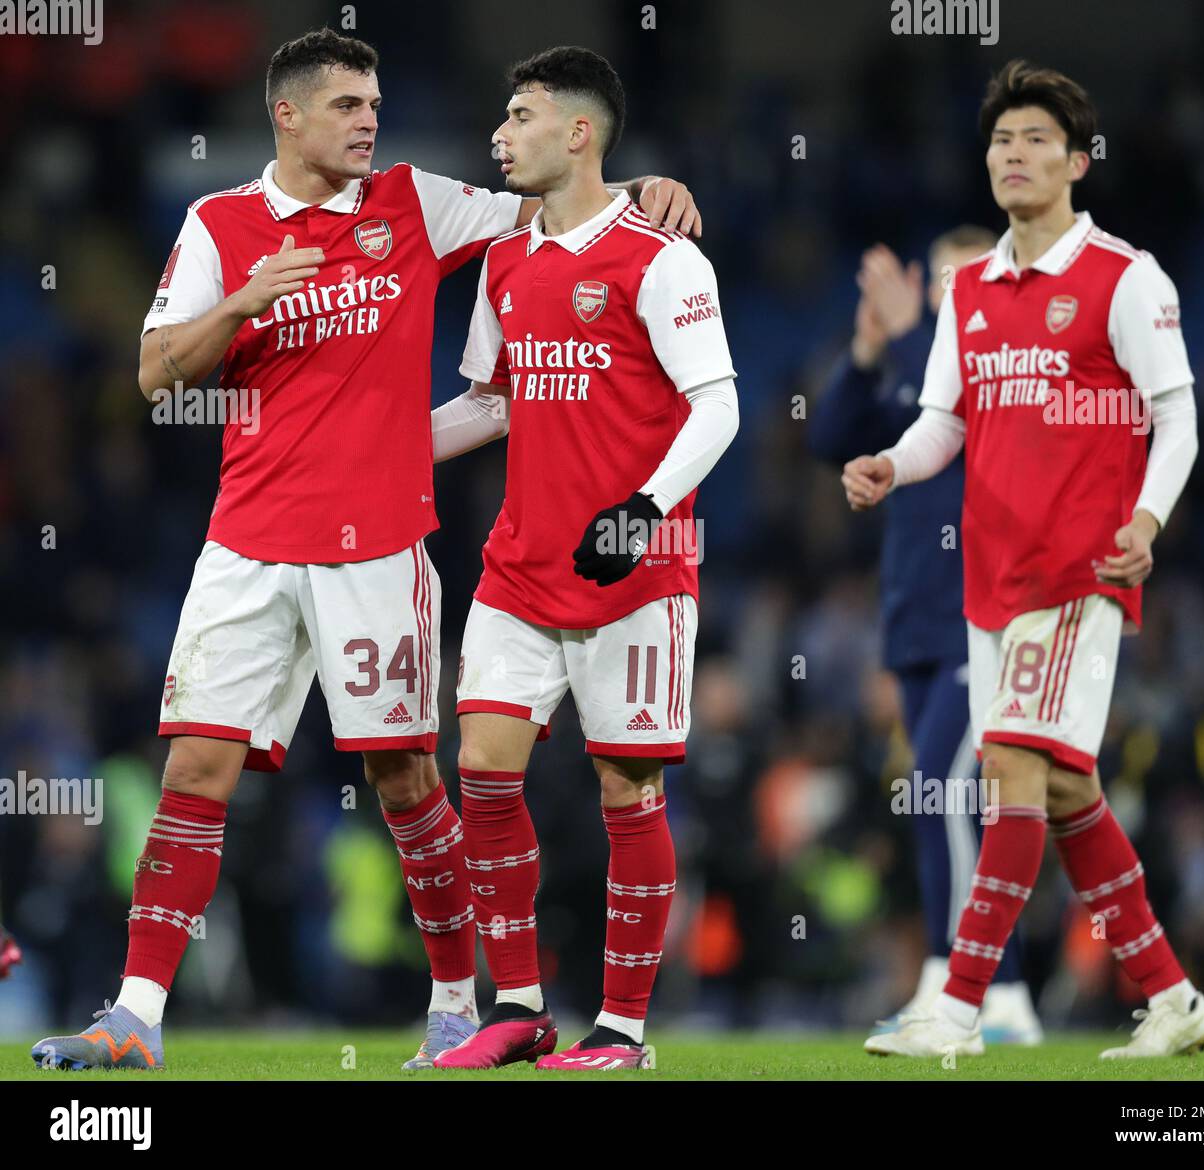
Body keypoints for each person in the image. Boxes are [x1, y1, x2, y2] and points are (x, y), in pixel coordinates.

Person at [31, 27, 699, 1072]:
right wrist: (246, 305)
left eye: (375, 103)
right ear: (287, 115)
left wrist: (637, 180)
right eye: (347, 105)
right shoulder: (220, 224)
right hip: (247, 541)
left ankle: (450, 1003)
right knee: (193, 768)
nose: (368, 120)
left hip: (377, 547)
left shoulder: (414, 201)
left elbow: (555, 207)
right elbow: (159, 371)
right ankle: (135, 1015)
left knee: (401, 773)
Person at [846, 60, 1204, 1059]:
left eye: (1035, 139)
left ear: (1077, 161)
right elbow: (940, 421)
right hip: (989, 579)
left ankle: (957, 1007)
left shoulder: (1124, 278)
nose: (1012, 155)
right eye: (1001, 140)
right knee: (1061, 792)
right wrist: (890, 463)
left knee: (1006, 769)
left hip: (1079, 568)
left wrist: (1146, 520)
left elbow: (1175, 415)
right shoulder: (967, 290)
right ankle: (1171, 997)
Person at [424, 46, 738, 1071]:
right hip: (520, 564)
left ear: (578, 133)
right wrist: (369, 451)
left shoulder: (663, 255)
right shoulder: (506, 259)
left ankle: (624, 1032)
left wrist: (644, 510)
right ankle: (516, 1006)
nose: (498, 137)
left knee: (623, 791)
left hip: (632, 573)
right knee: (482, 770)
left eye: (517, 117)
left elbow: (718, 404)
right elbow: (493, 399)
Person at [810, 230, 1043, 1048]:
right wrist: (870, 349)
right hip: (915, 624)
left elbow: (973, 426)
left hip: (987, 618)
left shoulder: (1001, 357)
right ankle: (997, 989)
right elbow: (829, 436)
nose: (945, 288)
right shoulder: (913, 361)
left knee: (951, 791)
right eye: (938, 273)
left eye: (962, 273)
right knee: (940, 806)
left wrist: (911, 332)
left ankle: (964, 983)